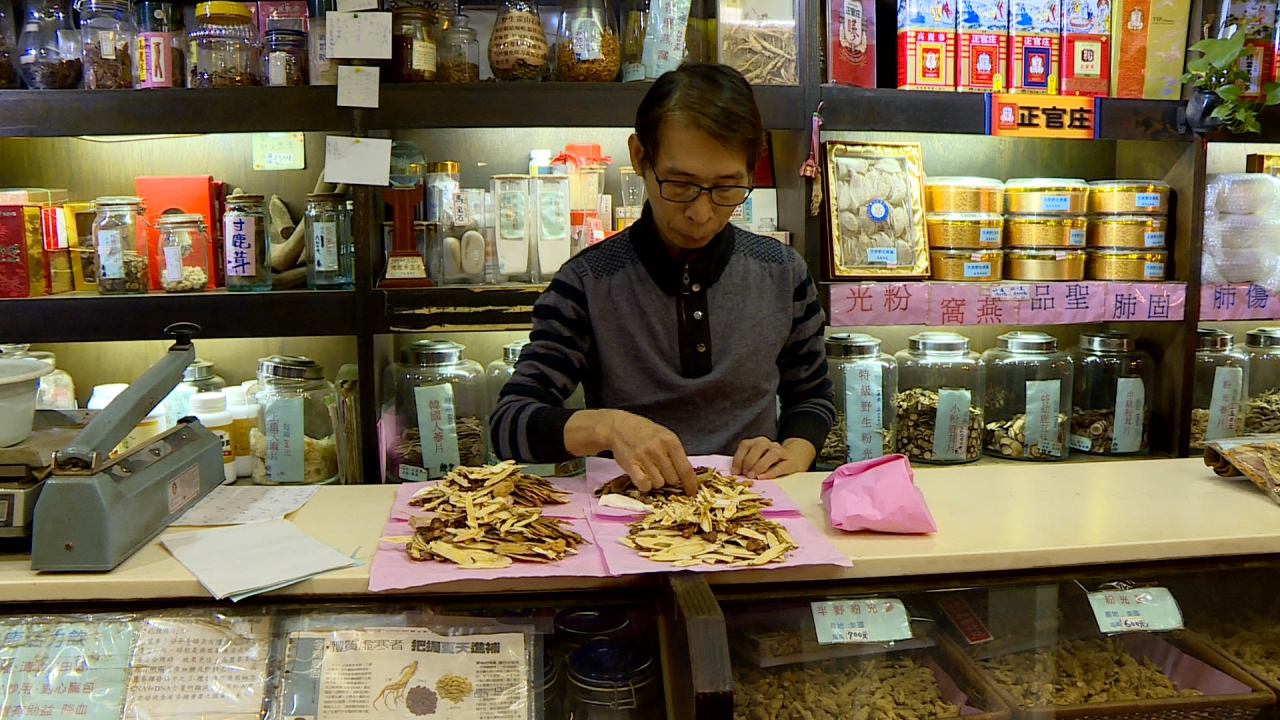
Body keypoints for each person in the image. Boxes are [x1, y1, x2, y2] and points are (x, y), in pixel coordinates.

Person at [489, 63, 834, 494]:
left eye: (727, 187)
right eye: (680, 183)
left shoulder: (783, 272)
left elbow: (812, 397)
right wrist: (608, 427)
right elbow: (508, 425)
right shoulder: (587, 283)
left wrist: (794, 451)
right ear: (639, 157)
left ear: (753, 167)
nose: (701, 213)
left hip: (753, 514)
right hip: (628, 520)